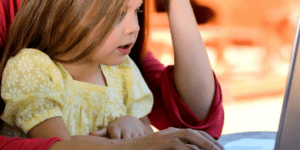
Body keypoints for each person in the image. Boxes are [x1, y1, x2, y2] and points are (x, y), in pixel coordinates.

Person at [0, 0, 224, 149]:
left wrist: (132, 124)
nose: (134, 27)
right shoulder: (31, 68)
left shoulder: (122, 68)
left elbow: (189, 125)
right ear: (64, 12)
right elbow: (57, 145)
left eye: (137, 11)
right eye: (116, 14)